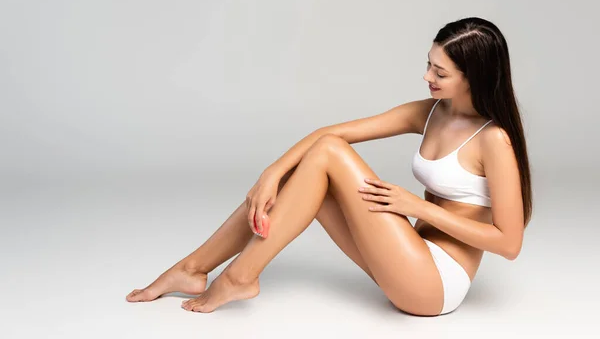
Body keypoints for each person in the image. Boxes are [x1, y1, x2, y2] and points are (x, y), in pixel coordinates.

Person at [125, 17, 532, 316]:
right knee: (314, 173)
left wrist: (418, 208)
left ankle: (238, 278)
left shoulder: (494, 139)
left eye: (439, 72)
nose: (426, 76)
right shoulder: (430, 113)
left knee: (328, 154)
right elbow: (332, 132)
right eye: (428, 64)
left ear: (472, 77)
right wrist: (270, 174)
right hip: (405, 256)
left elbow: (508, 244)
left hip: (435, 283)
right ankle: (192, 268)